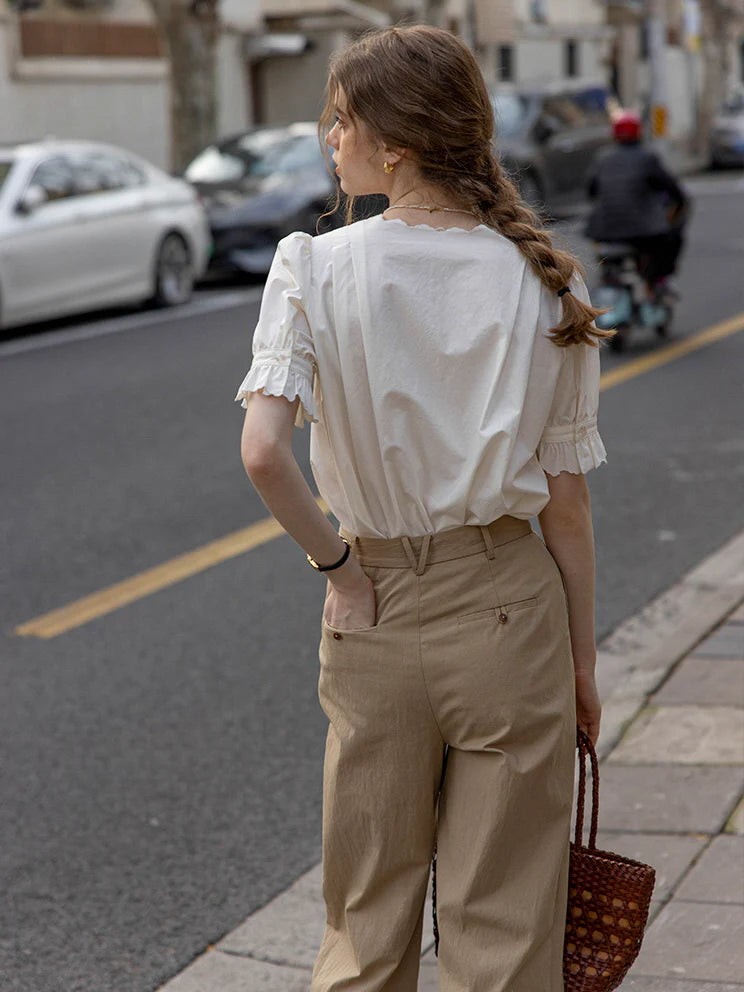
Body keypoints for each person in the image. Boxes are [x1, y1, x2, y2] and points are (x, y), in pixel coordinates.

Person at [237, 25, 609, 992]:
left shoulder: (312, 266)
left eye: (341, 119)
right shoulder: (546, 279)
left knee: (364, 926)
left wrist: (341, 571)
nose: (331, 138)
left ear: (394, 143)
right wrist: (581, 664)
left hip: (374, 604)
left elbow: (264, 454)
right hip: (510, 607)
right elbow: (566, 506)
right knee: (506, 929)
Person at [585, 110, 689, 294]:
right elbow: (673, 191)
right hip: (644, 232)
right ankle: (657, 281)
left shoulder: (603, 158)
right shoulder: (647, 159)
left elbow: (591, 191)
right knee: (671, 236)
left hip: (603, 230)